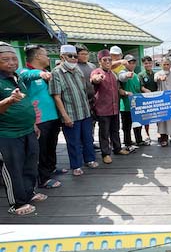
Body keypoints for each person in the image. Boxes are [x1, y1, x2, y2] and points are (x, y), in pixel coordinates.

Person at [0, 42, 45, 215]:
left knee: (30, 164)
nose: (11, 62)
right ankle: (17, 203)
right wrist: (9, 100)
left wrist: (32, 124)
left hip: (27, 130)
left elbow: (26, 102)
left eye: (13, 58)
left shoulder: (17, 77)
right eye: (5, 59)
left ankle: (29, 193)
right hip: (8, 134)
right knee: (13, 169)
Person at [18, 44, 61, 189]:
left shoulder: (46, 71)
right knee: (41, 150)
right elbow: (25, 75)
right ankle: (43, 179)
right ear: (37, 56)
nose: (48, 57)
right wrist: (39, 74)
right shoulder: (24, 71)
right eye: (45, 54)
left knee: (51, 145)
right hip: (39, 119)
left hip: (53, 117)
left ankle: (51, 168)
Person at [50, 44, 96, 177]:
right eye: (70, 56)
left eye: (75, 56)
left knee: (88, 138)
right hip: (71, 114)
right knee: (73, 142)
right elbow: (56, 97)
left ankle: (90, 159)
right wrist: (65, 116)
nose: (74, 59)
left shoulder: (78, 71)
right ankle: (76, 165)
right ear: (62, 57)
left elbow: (83, 91)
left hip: (85, 112)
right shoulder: (56, 73)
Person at [90, 49, 127, 164]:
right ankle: (105, 153)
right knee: (104, 133)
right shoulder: (97, 71)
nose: (107, 62)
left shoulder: (113, 73)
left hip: (114, 108)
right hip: (102, 109)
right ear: (99, 61)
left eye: (109, 60)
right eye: (105, 60)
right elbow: (94, 79)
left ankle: (117, 148)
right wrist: (97, 78)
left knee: (115, 130)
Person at [119, 55, 148, 148]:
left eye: (133, 63)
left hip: (136, 105)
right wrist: (126, 75)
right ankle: (127, 143)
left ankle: (139, 140)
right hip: (126, 106)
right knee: (126, 127)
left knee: (138, 125)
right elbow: (122, 77)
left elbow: (139, 88)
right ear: (125, 63)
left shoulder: (136, 76)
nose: (132, 65)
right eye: (129, 63)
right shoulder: (122, 72)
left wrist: (146, 91)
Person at [154, 57, 171, 146]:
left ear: (170, 65)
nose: (166, 66)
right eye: (164, 64)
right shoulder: (158, 74)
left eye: (167, 64)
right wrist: (160, 78)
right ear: (161, 65)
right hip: (162, 102)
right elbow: (156, 78)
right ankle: (163, 139)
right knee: (163, 121)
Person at [139, 56, 158, 143]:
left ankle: (159, 133)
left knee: (158, 117)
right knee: (147, 119)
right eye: (146, 63)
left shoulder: (156, 74)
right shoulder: (141, 75)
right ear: (143, 64)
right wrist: (146, 90)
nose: (148, 65)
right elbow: (141, 87)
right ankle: (147, 134)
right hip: (146, 99)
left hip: (156, 99)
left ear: (152, 63)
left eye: (150, 63)